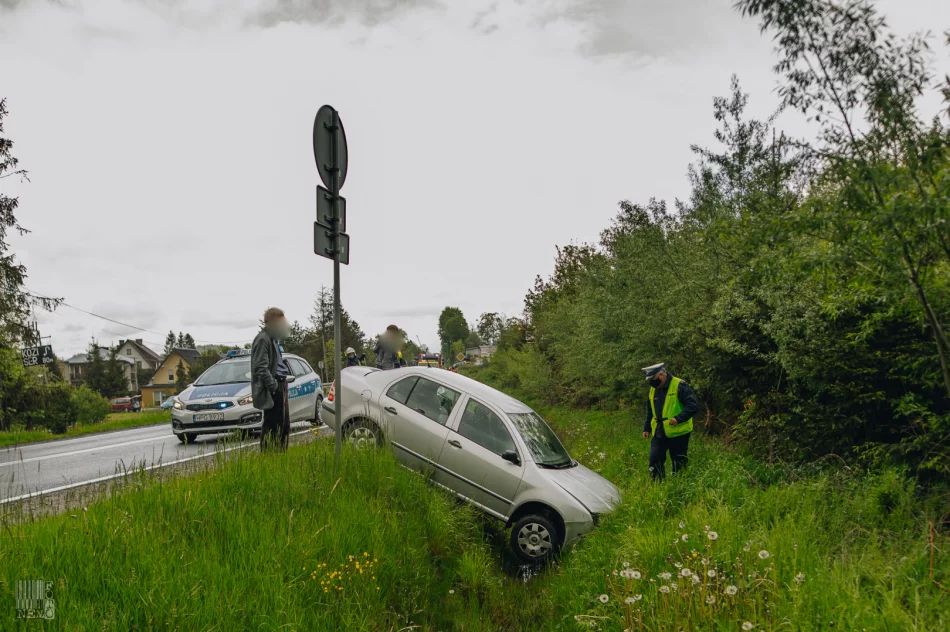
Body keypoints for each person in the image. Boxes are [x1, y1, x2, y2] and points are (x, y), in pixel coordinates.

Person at [641, 363, 699, 481]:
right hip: (659, 431)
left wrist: (678, 418)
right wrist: (646, 428)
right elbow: (650, 409)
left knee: (679, 462)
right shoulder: (653, 389)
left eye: (653, 379)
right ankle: (657, 486)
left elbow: (693, 405)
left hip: (678, 432)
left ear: (661, 375)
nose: (651, 382)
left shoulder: (679, 385)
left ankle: (679, 486)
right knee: (654, 459)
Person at [252, 307, 293, 451]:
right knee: (273, 426)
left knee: (284, 426)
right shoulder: (263, 339)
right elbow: (260, 368)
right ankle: (270, 459)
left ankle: (281, 458)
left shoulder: (274, 340)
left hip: (281, 384)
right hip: (274, 388)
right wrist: (273, 386)